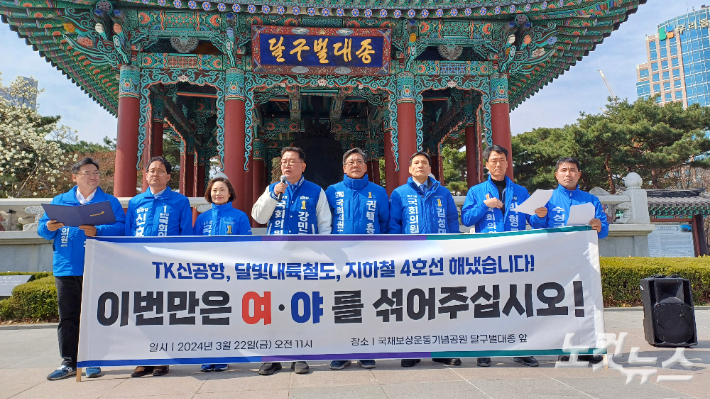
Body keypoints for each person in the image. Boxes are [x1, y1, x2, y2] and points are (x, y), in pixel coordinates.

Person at [38, 157, 126, 380]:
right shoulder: (61, 200)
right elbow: (43, 230)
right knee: (68, 316)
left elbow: (121, 227)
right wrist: (48, 227)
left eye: (96, 172)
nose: (94, 176)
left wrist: (98, 231)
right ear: (75, 177)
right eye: (87, 172)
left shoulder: (109, 202)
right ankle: (69, 361)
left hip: (97, 266)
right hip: (66, 267)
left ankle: (93, 360)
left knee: (95, 315)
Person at [460, 145, 546, 368]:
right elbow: (467, 219)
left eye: (502, 160)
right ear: (486, 164)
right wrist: (484, 205)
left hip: (514, 253)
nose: (498, 165)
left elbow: (533, 222)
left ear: (508, 164)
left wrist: (540, 215)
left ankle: (521, 348)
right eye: (494, 160)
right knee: (485, 300)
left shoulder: (520, 191)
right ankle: (485, 348)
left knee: (516, 300)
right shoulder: (476, 191)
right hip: (487, 254)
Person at [252, 146, 332, 375]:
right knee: (273, 306)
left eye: (291, 161)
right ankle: (273, 356)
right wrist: (273, 195)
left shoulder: (316, 191)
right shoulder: (272, 189)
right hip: (275, 259)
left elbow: (324, 225)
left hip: (305, 259)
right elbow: (258, 217)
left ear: (302, 166)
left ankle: (300, 355)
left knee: (301, 307)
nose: (286, 165)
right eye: (283, 161)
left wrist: (321, 256)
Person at [529, 156, 608, 365]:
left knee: (588, 304)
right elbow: (536, 225)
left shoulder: (591, 200)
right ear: (556, 174)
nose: (568, 174)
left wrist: (599, 226)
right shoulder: (547, 198)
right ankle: (565, 348)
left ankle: (591, 347)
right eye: (563, 170)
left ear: (579, 174)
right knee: (561, 303)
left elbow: (603, 230)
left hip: (584, 259)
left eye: (572, 170)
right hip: (557, 260)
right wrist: (538, 215)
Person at [389, 151, 461, 368]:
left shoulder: (444, 193)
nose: (420, 166)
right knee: (412, 303)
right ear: (410, 169)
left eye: (425, 163)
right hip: (411, 258)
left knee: (441, 302)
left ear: (431, 169)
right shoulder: (399, 194)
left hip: (439, 256)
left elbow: (452, 222)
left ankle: (441, 350)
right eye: (416, 163)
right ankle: (412, 349)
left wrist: (453, 248)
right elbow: (394, 225)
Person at [126, 156, 193, 377]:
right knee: (140, 310)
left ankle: (162, 358)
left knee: (164, 311)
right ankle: (141, 358)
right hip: (139, 264)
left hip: (167, 266)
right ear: (146, 175)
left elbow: (186, 234)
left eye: (160, 170)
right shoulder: (136, 202)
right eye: (151, 170)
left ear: (168, 176)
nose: (155, 174)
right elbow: (128, 233)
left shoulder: (179, 201)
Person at [325, 148, 388, 370]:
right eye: (351, 162)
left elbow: (387, 224)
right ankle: (341, 351)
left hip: (370, 259)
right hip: (340, 258)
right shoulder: (332, 191)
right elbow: (325, 223)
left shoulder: (379, 192)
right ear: (344, 167)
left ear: (365, 166)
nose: (355, 165)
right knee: (342, 304)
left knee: (368, 303)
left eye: (359, 161)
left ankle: (365, 350)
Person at [194, 177, 251, 372]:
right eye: (214, 190)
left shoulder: (239, 217)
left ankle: (224, 354)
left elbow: (246, 246)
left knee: (227, 314)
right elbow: (192, 247)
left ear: (230, 193)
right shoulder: (202, 219)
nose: (217, 193)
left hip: (230, 274)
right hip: (206, 274)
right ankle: (207, 355)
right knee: (206, 315)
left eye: (222, 190)